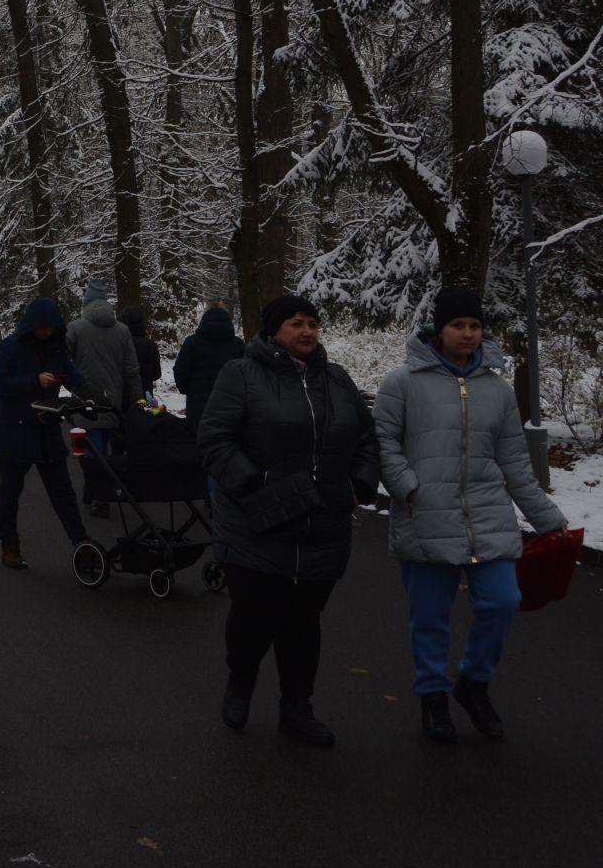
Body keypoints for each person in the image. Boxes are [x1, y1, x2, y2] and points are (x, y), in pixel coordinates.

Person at [375, 285, 568, 743]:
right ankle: (433, 697)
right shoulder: (401, 382)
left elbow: (515, 462)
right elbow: (383, 443)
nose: (467, 334)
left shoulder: (497, 390)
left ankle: (474, 684)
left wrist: (547, 518)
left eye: (474, 326)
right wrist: (408, 488)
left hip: (487, 512)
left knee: (503, 600)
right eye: (458, 325)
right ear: (439, 330)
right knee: (430, 616)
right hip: (425, 514)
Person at [198, 293, 379, 748]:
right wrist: (255, 483)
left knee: (304, 624)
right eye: (296, 322)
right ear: (274, 329)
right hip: (257, 524)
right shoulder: (240, 374)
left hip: (322, 528)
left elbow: (367, 437)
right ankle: (241, 682)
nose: (307, 331)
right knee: (255, 618)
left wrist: (360, 482)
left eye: (313, 323)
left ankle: (297, 708)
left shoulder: (337, 379)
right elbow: (215, 439)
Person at [0, 297, 93, 570]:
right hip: (17, 432)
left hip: (47, 431)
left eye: (51, 327)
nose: (46, 332)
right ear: (31, 325)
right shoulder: (12, 347)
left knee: (63, 492)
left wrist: (90, 393)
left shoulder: (57, 350)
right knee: (10, 493)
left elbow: (73, 376)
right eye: (42, 327)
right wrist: (34, 380)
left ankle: (82, 544)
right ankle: (8, 543)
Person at [67, 278, 142, 452]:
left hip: (84, 404)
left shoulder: (75, 329)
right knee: (112, 456)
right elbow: (132, 371)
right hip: (112, 403)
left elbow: (61, 364)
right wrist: (139, 402)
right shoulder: (123, 331)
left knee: (92, 457)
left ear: (87, 302)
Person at [174, 304, 244, 426]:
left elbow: (181, 371)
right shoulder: (238, 345)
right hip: (231, 404)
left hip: (198, 405)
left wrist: (188, 390)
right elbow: (246, 375)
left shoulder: (191, 342)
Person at [117, 305, 161, 400]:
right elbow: (157, 373)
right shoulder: (151, 345)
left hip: (122, 396)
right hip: (145, 395)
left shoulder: (118, 344)